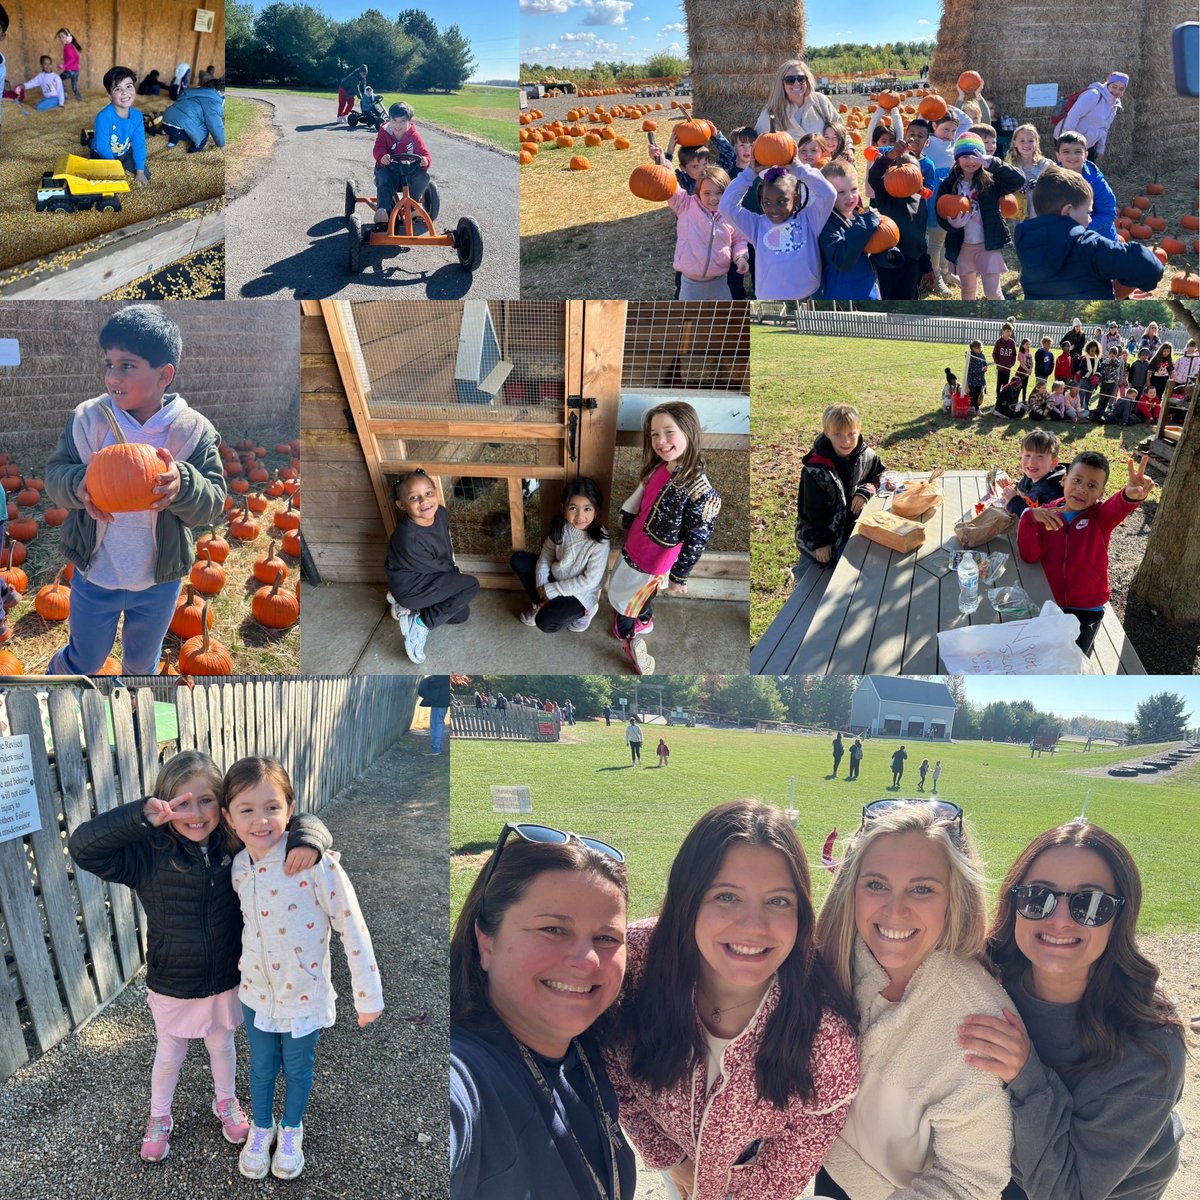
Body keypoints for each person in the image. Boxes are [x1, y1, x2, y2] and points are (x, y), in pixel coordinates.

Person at [67, 750, 330, 1162]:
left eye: (206, 800)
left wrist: (311, 836)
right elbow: (83, 848)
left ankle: (225, 1103)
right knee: (169, 1054)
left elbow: (283, 819)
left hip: (226, 976)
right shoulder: (148, 853)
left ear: (222, 808)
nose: (195, 812)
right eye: (182, 802)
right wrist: (139, 816)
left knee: (222, 1046)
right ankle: (159, 1117)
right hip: (174, 978)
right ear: (164, 805)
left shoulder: (234, 843)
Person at [607, 801, 859, 1200]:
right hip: (675, 1168)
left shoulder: (824, 1033)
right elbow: (612, 1068)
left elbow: (797, 1152)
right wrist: (669, 1158)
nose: (754, 927)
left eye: (778, 901)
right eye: (726, 896)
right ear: (687, 901)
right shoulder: (633, 963)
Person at [959, 822, 1185, 1200]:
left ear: (1119, 918)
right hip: (1000, 1164)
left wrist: (1025, 1073)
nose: (1060, 920)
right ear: (1015, 903)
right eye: (1038, 897)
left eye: (1091, 904)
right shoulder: (982, 977)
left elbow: (1067, 1193)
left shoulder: (1151, 1048)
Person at [814, 801, 1014, 1200]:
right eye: (876, 885)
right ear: (851, 888)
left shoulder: (975, 1019)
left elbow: (971, 1179)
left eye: (922, 889)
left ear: (954, 896)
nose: (895, 911)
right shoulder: (824, 965)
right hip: (826, 1167)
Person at [451, 822, 634, 1199]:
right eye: (553, 929)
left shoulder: (587, 1047)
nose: (586, 961)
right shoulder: (463, 1076)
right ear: (486, 943)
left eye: (606, 937)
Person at [223, 757, 382, 1181]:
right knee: (259, 1067)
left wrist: (368, 995)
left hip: (303, 995)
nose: (261, 820)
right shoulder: (239, 867)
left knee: (297, 1068)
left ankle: (290, 1128)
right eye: (247, 810)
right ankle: (262, 1126)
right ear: (229, 817)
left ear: (290, 809)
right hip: (256, 993)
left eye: (272, 807)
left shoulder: (316, 863)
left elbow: (352, 925)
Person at [43, 305, 225, 674]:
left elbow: (214, 501)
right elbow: (54, 475)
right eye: (108, 364)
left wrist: (183, 484)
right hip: (96, 574)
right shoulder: (88, 420)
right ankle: (52, 689)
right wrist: (80, 484)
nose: (113, 376)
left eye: (127, 365)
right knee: (86, 659)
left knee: (142, 663)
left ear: (164, 375)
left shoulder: (190, 432)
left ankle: (132, 711)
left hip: (157, 581)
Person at [606, 402, 721, 677]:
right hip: (636, 542)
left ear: (689, 432)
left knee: (630, 596)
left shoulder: (700, 491)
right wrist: (627, 516)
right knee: (625, 588)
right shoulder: (662, 466)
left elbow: (697, 539)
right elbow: (644, 496)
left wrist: (679, 576)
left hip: (654, 559)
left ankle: (628, 636)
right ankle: (643, 618)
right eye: (655, 434)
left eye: (669, 432)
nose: (660, 441)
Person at [1017, 452, 1155, 655]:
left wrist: (1130, 494)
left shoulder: (1100, 518)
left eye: (1092, 485)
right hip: (1049, 603)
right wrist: (1030, 518)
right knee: (1040, 656)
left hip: (1087, 610)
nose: (1082, 489)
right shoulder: (1046, 515)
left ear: (1101, 492)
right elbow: (1029, 556)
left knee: (1074, 659)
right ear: (1064, 480)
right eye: (1077, 480)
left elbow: (1117, 506)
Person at [1015, 167, 1162, 300]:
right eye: (1088, 212)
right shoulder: (1088, 245)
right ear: (1067, 211)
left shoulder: (1026, 242)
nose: (1090, 219)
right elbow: (1150, 269)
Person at [384, 468, 480, 666]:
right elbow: (437, 568)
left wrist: (453, 576)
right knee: (470, 586)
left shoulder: (441, 514)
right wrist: (457, 578)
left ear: (436, 492)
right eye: (414, 497)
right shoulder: (408, 539)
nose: (424, 501)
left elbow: (445, 548)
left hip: (430, 578)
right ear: (401, 504)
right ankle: (420, 623)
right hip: (411, 587)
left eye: (428, 493)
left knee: (461, 615)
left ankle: (409, 609)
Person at [719, 161, 836, 300]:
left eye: (781, 201)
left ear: (796, 198)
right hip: (769, 299)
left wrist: (798, 168)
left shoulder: (810, 219)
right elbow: (726, 206)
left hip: (808, 297)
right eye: (767, 202)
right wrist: (749, 173)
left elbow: (828, 194)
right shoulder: (756, 226)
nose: (773, 209)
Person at [510, 477, 609, 634]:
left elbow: (590, 581)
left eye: (587, 509)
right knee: (519, 559)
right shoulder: (561, 527)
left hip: (580, 593)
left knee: (545, 623)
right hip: (557, 579)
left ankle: (586, 612)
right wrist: (542, 588)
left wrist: (553, 590)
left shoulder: (599, 541)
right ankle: (542, 604)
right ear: (563, 508)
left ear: (596, 510)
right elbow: (544, 558)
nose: (579, 517)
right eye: (573, 508)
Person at [647, 145, 747, 300]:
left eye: (719, 193)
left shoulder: (729, 215)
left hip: (719, 281)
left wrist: (740, 257)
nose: (713, 198)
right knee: (690, 320)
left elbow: (738, 240)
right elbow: (671, 185)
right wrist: (661, 161)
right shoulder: (685, 205)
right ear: (698, 192)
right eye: (707, 193)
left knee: (722, 319)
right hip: (690, 283)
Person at [934, 134, 1025, 300]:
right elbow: (940, 213)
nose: (970, 161)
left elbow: (1019, 180)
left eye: (975, 156)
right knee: (968, 290)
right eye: (965, 156)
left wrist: (994, 164)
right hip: (962, 246)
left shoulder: (991, 182)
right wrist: (952, 225)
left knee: (993, 292)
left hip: (987, 245)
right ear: (957, 158)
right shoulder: (948, 184)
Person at [795, 403, 883, 566]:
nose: (846, 441)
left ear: (859, 429)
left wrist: (865, 491)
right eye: (838, 434)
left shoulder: (867, 456)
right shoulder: (816, 471)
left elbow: (878, 474)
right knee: (813, 576)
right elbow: (810, 512)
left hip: (855, 528)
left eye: (852, 433)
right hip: (826, 536)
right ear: (827, 433)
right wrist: (820, 543)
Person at [866, 138, 934, 300]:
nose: (906, 173)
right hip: (886, 260)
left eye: (912, 171)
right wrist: (890, 155)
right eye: (898, 170)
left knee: (908, 296)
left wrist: (926, 266)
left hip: (911, 263)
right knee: (885, 296)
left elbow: (921, 239)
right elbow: (874, 176)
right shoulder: (885, 195)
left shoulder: (920, 202)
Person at [817, 160, 883, 300]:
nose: (849, 196)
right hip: (842, 292)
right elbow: (842, 259)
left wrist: (886, 252)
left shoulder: (860, 216)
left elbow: (870, 250)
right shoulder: (826, 226)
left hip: (868, 288)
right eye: (840, 192)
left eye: (854, 189)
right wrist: (866, 225)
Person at [1049, 132, 1118, 242]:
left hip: (1099, 238)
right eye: (1066, 152)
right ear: (1058, 156)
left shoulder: (1097, 182)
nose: (1072, 156)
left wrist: (1081, 229)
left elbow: (1108, 214)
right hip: (1066, 237)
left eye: (1078, 152)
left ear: (1085, 155)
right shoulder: (1051, 181)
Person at [371, 101, 431, 227]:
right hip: (389, 171)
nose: (398, 125)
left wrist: (425, 160)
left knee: (423, 176)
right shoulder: (384, 132)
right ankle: (384, 212)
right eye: (394, 120)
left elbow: (424, 153)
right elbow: (378, 149)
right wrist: (382, 157)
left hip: (408, 174)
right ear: (389, 120)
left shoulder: (413, 136)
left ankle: (411, 206)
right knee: (384, 182)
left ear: (409, 121)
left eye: (402, 121)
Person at [90, 66, 149, 184]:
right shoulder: (103, 117)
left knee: (146, 175)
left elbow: (139, 144)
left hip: (124, 152)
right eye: (117, 89)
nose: (125, 92)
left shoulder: (137, 116)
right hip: (102, 154)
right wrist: (115, 171)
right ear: (109, 95)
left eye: (128, 86)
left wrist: (140, 172)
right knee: (100, 181)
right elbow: (103, 148)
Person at [755, 60, 839, 139]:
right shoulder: (771, 113)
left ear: (807, 80)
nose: (796, 83)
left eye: (801, 79)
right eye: (790, 80)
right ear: (781, 83)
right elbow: (759, 143)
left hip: (824, 155)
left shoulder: (820, 101)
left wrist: (849, 148)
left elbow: (840, 129)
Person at [1058, 72, 1128, 162]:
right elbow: (1074, 114)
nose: (1117, 91)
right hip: (1071, 141)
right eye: (1114, 87)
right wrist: (1066, 140)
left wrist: (1100, 149)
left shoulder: (1114, 105)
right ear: (1108, 83)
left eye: (1121, 89)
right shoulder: (1094, 95)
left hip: (1088, 144)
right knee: (1070, 173)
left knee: (1088, 173)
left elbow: (1104, 128)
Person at [1000, 428, 1065, 517]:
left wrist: (1013, 500)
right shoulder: (1033, 475)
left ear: (1053, 462)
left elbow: (1037, 519)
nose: (1032, 462)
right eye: (1028, 455)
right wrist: (1014, 487)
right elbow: (1028, 489)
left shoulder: (1052, 491)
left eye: (1040, 456)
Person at [162, 76, 225, 152]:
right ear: (218, 92)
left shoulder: (191, 93)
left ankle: (172, 142)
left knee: (182, 118)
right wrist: (222, 144)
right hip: (179, 128)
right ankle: (193, 151)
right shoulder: (212, 102)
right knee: (204, 134)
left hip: (165, 120)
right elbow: (215, 125)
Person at [1004, 124, 1049, 220]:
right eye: (1022, 141)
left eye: (1031, 141)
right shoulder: (1008, 166)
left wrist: (1042, 185)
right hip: (1016, 218)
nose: (1026, 145)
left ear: (1037, 142)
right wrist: (1015, 188)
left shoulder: (1045, 165)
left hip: (1040, 216)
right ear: (1014, 143)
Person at [418, 674, 450, 755]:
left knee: (436, 725)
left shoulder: (440, 677)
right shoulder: (445, 677)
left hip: (438, 702)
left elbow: (434, 684)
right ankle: (436, 747)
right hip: (442, 702)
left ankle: (436, 748)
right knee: (437, 724)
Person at [56, 26, 82, 102]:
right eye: (60, 37)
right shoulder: (72, 46)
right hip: (76, 71)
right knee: (74, 88)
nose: (61, 39)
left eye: (62, 37)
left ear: (68, 37)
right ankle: (79, 99)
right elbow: (77, 57)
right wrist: (76, 65)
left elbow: (72, 59)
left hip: (70, 71)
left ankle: (65, 95)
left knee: (59, 79)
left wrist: (64, 65)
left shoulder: (67, 47)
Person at [992, 324, 1017, 390]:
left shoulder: (1012, 342)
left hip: (1008, 368)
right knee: (999, 384)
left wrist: (1011, 364)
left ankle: (1004, 397)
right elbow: (994, 354)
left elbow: (1014, 354)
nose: (1009, 333)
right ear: (1003, 331)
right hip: (1000, 368)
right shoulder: (998, 342)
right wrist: (998, 363)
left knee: (1005, 385)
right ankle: (998, 397)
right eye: (1007, 331)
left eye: (1010, 331)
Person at [966, 340, 988, 410]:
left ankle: (971, 406)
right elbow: (970, 370)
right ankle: (977, 409)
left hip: (980, 379)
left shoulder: (982, 355)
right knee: (974, 395)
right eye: (977, 348)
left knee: (978, 394)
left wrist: (985, 368)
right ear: (973, 348)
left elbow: (985, 364)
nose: (979, 349)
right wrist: (980, 369)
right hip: (973, 379)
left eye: (980, 347)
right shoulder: (970, 357)